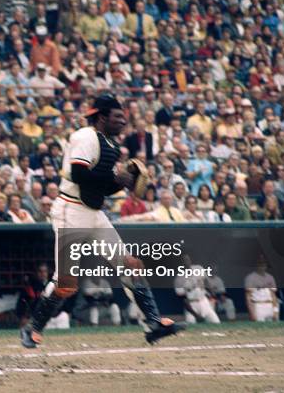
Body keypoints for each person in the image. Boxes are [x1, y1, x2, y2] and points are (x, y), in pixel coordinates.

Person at [20, 95, 185, 349]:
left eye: (124, 117)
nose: (123, 121)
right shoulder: (86, 136)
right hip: (71, 211)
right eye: (117, 116)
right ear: (101, 116)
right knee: (65, 282)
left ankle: (152, 323)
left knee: (131, 264)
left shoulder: (110, 144)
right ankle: (32, 328)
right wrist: (118, 177)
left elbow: (102, 187)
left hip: (94, 212)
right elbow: (79, 173)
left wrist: (122, 182)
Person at [174, 257, 220, 324]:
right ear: (180, 264)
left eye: (187, 259)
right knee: (190, 324)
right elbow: (183, 300)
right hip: (191, 305)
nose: (186, 262)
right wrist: (195, 315)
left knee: (216, 323)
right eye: (183, 261)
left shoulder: (198, 268)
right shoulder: (178, 279)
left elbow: (206, 281)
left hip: (204, 301)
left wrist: (212, 294)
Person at [244, 256, 279, 322]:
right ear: (256, 265)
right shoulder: (250, 278)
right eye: (260, 263)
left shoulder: (270, 277)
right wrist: (252, 313)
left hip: (270, 305)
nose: (262, 265)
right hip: (258, 307)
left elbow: (273, 295)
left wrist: (275, 311)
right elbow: (248, 297)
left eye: (264, 263)